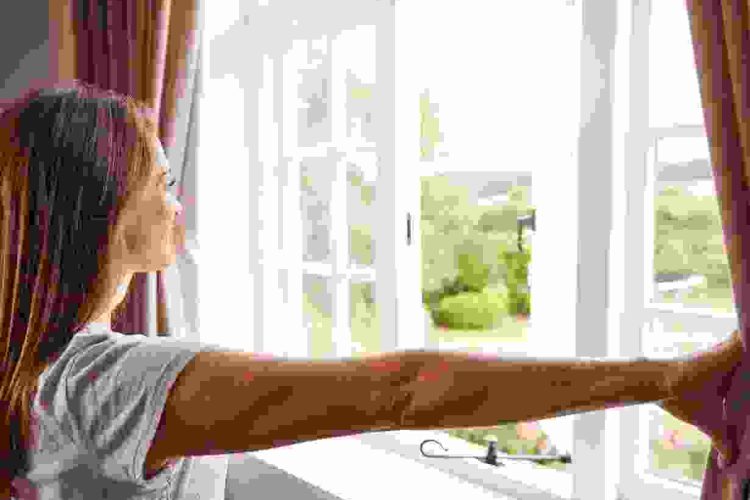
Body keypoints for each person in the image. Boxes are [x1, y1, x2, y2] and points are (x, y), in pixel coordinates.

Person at [0, 81, 743, 499]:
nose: (177, 199)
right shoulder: (103, 382)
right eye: (163, 182)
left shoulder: (43, 366)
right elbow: (404, 390)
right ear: (103, 208)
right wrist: (665, 380)